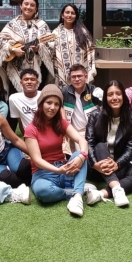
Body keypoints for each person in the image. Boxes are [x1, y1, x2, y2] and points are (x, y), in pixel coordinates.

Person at [25, 85, 89, 217]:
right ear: (41, 104)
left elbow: (82, 141)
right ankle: (74, 190)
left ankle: (77, 197)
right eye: (49, 103)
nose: (52, 107)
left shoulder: (61, 123)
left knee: (78, 155)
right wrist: (58, 170)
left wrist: (82, 156)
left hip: (63, 168)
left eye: (56, 104)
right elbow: (37, 160)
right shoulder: (31, 129)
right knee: (43, 192)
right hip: (42, 174)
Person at [85, 80, 132, 207]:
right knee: (100, 146)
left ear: (123, 96)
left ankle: (101, 193)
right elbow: (90, 143)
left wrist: (117, 165)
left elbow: (130, 148)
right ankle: (117, 189)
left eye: (118, 94)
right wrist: (95, 164)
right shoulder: (94, 116)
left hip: (117, 166)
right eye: (110, 94)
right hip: (96, 168)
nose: (114, 97)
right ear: (105, 98)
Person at [0, 0, 54, 92]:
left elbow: (51, 44)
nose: (28, 7)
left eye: (32, 5)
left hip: (37, 68)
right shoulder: (12, 24)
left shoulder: (42, 25)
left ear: (36, 8)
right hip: (15, 69)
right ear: (20, 6)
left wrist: (39, 48)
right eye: (26, 4)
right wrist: (13, 49)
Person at [61, 64, 103, 155]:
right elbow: (58, 106)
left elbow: (109, 103)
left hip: (92, 132)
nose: (76, 79)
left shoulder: (94, 91)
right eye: (73, 77)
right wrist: (64, 124)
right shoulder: (64, 92)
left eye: (79, 76)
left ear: (86, 76)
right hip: (72, 133)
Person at [52, 3, 96, 88]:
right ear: (62, 15)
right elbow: (50, 52)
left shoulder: (83, 33)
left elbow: (90, 52)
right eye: (67, 12)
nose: (70, 15)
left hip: (80, 70)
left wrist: (91, 70)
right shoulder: (55, 33)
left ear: (76, 16)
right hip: (62, 73)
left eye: (73, 13)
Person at [9, 68, 42, 133]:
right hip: (30, 134)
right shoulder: (14, 99)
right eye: (26, 79)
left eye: (32, 79)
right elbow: (20, 120)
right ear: (21, 83)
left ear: (37, 82)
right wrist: (25, 136)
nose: (29, 82)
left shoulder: (44, 95)